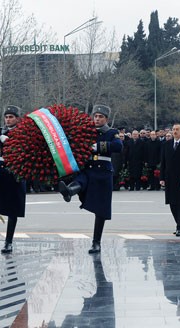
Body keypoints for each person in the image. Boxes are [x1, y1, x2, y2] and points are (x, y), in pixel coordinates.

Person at [58, 104, 122, 254]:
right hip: (88, 168)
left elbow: (118, 146)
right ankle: (68, 191)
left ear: (106, 119)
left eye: (100, 117)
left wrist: (98, 146)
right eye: (95, 116)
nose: (97, 119)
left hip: (103, 173)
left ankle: (96, 242)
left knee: (101, 210)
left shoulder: (112, 132)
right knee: (81, 181)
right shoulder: (87, 132)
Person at [0, 105, 26, 254]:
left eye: (11, 117)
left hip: (15, 171)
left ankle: (8, 241)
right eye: (6, 117)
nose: (8, 120)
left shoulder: (23, 133)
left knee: (13, 209)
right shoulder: (0, 132)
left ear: (17, 119)